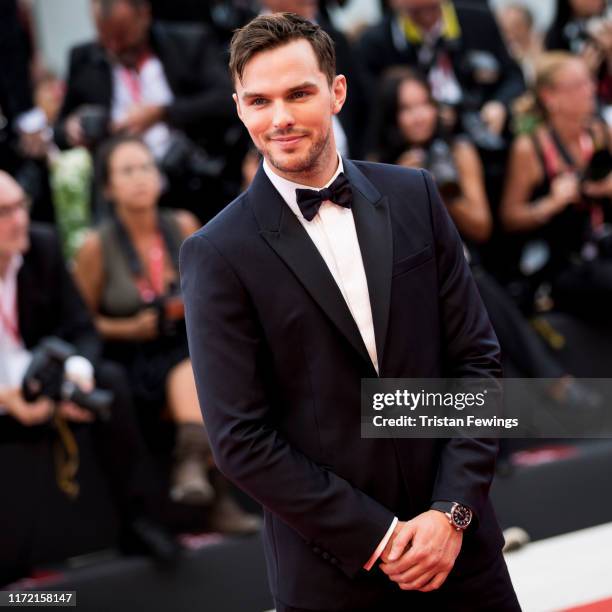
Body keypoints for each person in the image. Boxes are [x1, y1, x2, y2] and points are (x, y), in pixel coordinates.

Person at [180, 13, 520, 611]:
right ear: (238, 108)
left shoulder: (414, 194)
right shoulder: (216, 253)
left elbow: (475, 363)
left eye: (299, 93)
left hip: (464, 558)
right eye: (259, 100)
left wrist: (451, 512)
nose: (279, 118)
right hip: (333, 580)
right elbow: (240, 439)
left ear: (337, 91)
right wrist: (383, 539)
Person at [370, 68, 602, 405]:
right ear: (393, 117)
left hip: (461, 267)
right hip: (407, 278)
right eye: (407, 109)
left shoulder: (458, 151)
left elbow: (481, 226)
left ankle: (545, 392)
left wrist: (434, 189)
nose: (419, 117)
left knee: (473, 287)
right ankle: (553, 383)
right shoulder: (376, 166)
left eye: (425, 105)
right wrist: (400, 185)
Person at [72, 135, 260, 534]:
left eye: (145, 167)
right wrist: (129, 326)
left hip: (185, 341)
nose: (140, 178)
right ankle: (202, 480)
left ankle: (195, 467)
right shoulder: (96, 246)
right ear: (108, 187)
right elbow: (79, 321)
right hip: (133, 355)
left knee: (206, 362)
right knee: (195, 369)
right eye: (127, 171)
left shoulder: (183, 224)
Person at [0, 170, 179, 584]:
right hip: (6, 392)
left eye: (20, 206)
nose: (20, 219)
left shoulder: (41, 246)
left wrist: (73, 377)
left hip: (43, 374)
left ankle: (140, 521)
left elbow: (80, 329)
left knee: (110, 380)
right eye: (5, 212)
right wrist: (8, 398)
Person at [54, 0, 244, 223]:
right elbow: (58, 132)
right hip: (122, 198)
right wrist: (71, 128)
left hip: (192, 182)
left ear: (144, 15)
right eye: (106, 39)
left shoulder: (187, 43)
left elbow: (227, 100)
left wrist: (163, 113)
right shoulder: (84, 59)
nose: (115, 47)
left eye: (123, 36)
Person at [501, 52, 612, 321]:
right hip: (560, 260)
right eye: (578, 85)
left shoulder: (598, 131)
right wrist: (552, 203)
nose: (590, 91)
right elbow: (510, 217)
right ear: (550, 98)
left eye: (589, 82)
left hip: (600, 243)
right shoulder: (530, 148)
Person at [356, 0, 525, 144]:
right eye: (417, 11)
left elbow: (514, 77)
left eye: (432, 8)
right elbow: (374, 111)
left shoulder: (478, 21)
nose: (426, 17)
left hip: (485, 133)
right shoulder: (376, 42)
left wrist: (499, 104)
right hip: (417, 145)